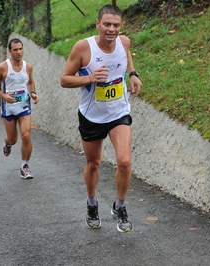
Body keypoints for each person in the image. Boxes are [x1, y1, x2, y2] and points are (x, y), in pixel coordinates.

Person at [60, 4, 143, 232]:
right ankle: (92, 202)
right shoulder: (83, 48)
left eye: (116, 25)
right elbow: (65, 79)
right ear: (98, 24)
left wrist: (133, 74)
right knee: (93, 164)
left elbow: (125, 55)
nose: (111, 29)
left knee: (124, 161)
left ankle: (120, 206)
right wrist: (89, 79)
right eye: (107, 24)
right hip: (92, 115)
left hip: (118, 112)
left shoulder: (124, 42)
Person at [0, 38, 39, 179]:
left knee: (26, 135)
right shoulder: (3, 67)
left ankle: (24, 166)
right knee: (13, 139)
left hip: (23, 106)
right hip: (9, 108)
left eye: (20, 49)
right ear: (10, 51)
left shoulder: (28, 67)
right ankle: (7, 144)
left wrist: (33, 93)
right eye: (15, 49)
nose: (18, 52)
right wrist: (3, 96)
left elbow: (30, 82)